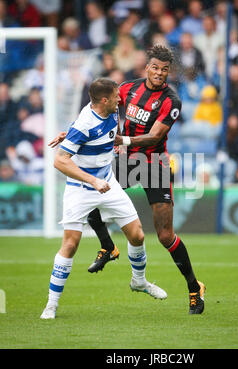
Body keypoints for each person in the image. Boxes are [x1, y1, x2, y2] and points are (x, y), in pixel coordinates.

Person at [49, 45, 205, 315]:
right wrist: (73, 132)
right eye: (155, 67)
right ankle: (108, 247)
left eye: (164, 70)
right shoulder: (128, 88)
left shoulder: (171, 101)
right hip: (125, 161)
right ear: (147, 67)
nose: (159, 73)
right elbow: (97, 107)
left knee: (166, 236)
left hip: (154, 164)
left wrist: (123, 140)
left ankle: (194, 287)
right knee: (93, 198)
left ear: (169, 72)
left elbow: (155, 137)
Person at [41, 78, 167, 319]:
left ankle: (139, 282)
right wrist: (92, 180)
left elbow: (95, 132)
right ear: (104, 100)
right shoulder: (86, 122)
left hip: (108, 183)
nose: (121, 98)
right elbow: (59, 161)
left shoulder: (108, 112)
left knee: (138, 234)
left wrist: (69, 134)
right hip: (81, 188)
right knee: (70, 245)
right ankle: (51, 305)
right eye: (117, 95)